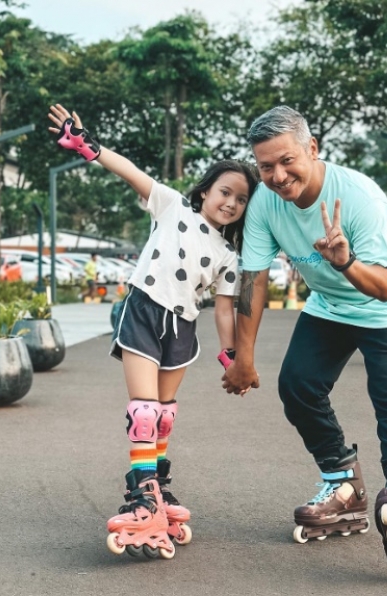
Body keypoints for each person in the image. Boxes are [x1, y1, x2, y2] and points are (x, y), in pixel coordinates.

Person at [222, 106, 387, 583]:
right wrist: (243, 359)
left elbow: (385, 287)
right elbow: (253, 279)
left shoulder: (357, 197)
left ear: (313, 150)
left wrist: (344, 261)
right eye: (265, 167)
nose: (276, 176)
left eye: (287, 161)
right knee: (297, 384)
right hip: (331, 303)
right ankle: (343, 483)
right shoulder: (265, 205)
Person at [48, 103, 258, 559]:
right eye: (226, 192)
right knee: (143, 412)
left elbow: (224, 310)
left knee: (164, 414)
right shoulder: (172, 206)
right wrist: (89, 146)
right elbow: (131, 172)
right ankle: (141, 495)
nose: (231, 203)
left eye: (241, 200)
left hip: (182, 329)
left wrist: (231, 356)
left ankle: (158, 486)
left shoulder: (228, 255)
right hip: (144, 311)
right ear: (205, 191)